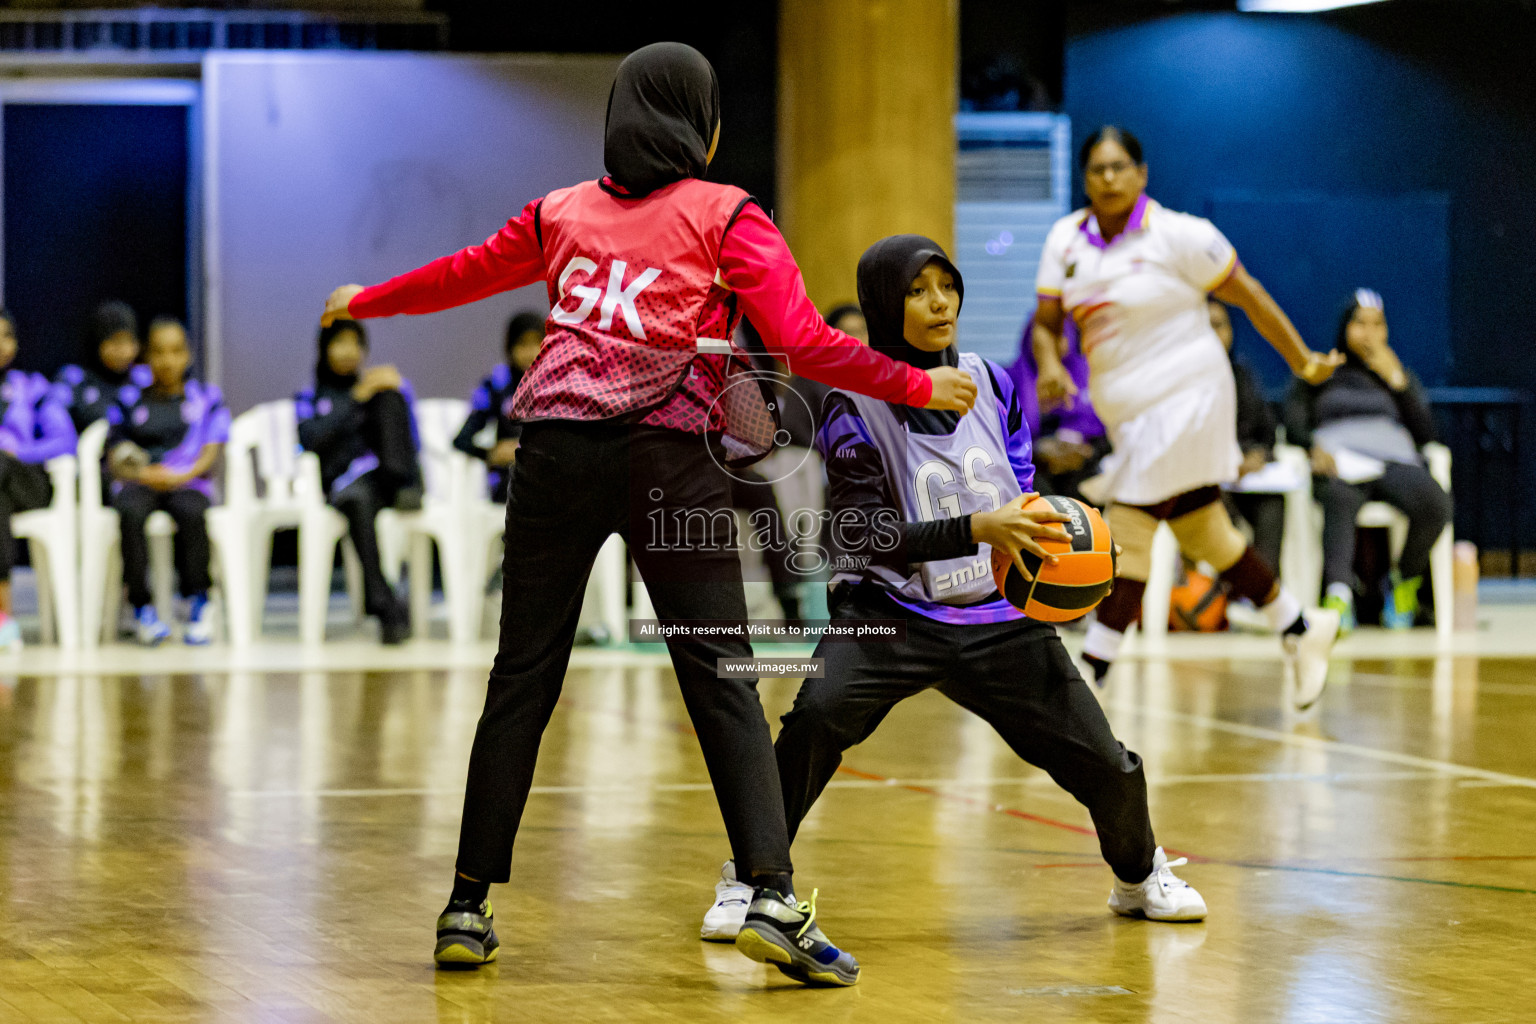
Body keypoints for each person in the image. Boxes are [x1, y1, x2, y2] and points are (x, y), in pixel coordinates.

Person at [318, 43, 976, 979]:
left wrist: (368, 300)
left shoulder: (559, 211)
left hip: (551, 452)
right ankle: (772, 899)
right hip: (668, 457)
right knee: (721, 675)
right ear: (699, 123)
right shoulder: (727, 213)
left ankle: (466, 907)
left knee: (523, 677)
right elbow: (801, 339)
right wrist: (912, 384)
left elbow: (465, 271)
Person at [700, 236, 1207, 952]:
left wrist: (1077, 544)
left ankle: (1137, 874)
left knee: (1105, 758)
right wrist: (976, 527)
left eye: (947, 286)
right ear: (883, 305)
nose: (940, 303)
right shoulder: (856, 403)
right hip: (891, 612)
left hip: (999, 616)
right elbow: (863, 530)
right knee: (813, 719)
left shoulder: (993, 382)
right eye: (917, 291)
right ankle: (752, 878)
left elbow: (1022, 493)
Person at [1033, 126, 1343, 709]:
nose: (1109, 178)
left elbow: (1248, 294)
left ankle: (1090, 673)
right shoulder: (1063, 241)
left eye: (1120, 166)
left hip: (1191, 395)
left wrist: (1301, 359)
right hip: (1127, 412)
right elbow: (1047, 326)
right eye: (1097, 169)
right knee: (1205, 530)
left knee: (1130, 521)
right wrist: (1050, 365)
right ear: (1084, 180)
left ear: (1142, 174)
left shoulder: (1181, 235)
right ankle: (1301, 628)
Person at [1284, 289, 1450, 631]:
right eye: (1360, 323)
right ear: (1345, 327)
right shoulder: (1325, 371)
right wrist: (1312, 447)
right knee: (1339, 497)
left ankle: (1403, 582)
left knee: (1436, 503)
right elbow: (1294, 421)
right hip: (1341, 464)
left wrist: (1399, 382)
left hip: (1392, 463)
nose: (1369, 333)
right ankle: (1338, 595)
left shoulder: (1395, 375)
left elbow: (1426, 433)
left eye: (1378, 324)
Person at [295, 321, 422, 645]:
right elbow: (310, 440)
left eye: (355, 343)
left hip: (383, 477)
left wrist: (392, 392)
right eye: (340, 343)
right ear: (324, 349)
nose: (349, 351)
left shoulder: (376, 390)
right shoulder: (311, 397)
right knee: (356, 500)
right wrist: (355, 399)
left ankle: (407, 483)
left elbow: (410, 439)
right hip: (340, 483)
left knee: (391, 394)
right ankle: (385, 606)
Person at [107, 318, 228, 646]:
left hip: (188, 482)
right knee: (129, 514)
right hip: (141, 482)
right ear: (147, 356)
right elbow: (114, 451)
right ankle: (141, 607)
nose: (167, 360)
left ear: (187, 355)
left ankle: (198, 601)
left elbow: (211, 450)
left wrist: (180, 476)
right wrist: (145, 475)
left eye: (176, 351)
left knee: (192, 514)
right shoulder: (130, 400)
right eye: (158, 352)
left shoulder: (206, 398)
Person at [0, 310, 77, 651]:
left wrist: (20, 451)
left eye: (7, 336)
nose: (1, 345)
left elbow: (66, 440)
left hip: (27, 484)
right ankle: (4, 615)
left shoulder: (31, 387)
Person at [1211, 299, 1284, 572]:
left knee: (1272, 504)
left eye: (1219, 326)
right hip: (1204, 477)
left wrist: (1258, 455)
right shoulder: (1179, 382)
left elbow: (1268, 433)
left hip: (1243, 478)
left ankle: (1264, 591)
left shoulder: (1242, 375)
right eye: (1205, 327)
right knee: (1211, 505)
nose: (1214, 336)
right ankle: (1216, 596)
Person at [1006, 312, 1107, 504]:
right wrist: (1038, 452)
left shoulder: (1089, 374)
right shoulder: (1007, 382)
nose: (1061, 343)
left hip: (1082, 470)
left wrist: (1082, 448)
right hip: (1033, 473)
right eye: (1050, 335)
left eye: (1063, 334)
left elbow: (1104, 427)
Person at [453, 310, 543, 502]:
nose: (530, 352)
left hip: (549, 470)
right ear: (510, 347)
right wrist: (491, 453)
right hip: (511, 478)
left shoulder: (558, 384)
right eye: (522, 344)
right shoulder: (496, 385)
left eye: (537, 343)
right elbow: (461, 439)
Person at [55, 300, 151, 432]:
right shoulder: (73, 380)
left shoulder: (145, 379)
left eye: (130, 341)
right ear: (97, 342)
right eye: (115, 342)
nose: (124, 351)